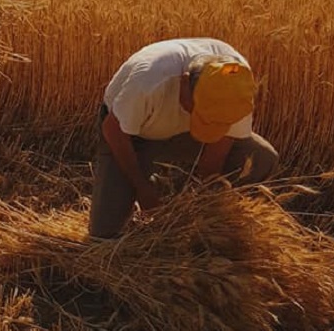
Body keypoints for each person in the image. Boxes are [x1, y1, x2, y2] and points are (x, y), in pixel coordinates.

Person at [89, 37, 279, 238]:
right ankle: (150, 182)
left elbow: (213, 160)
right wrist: (142, 188)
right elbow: (112, 129)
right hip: (133, 136)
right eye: (201, 116)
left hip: (184, 134)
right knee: (104, 233)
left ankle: (175, 192)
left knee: (261, 157)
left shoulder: (236, 87)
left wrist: (199, 209)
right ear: (185, 83)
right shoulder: (148, 81)